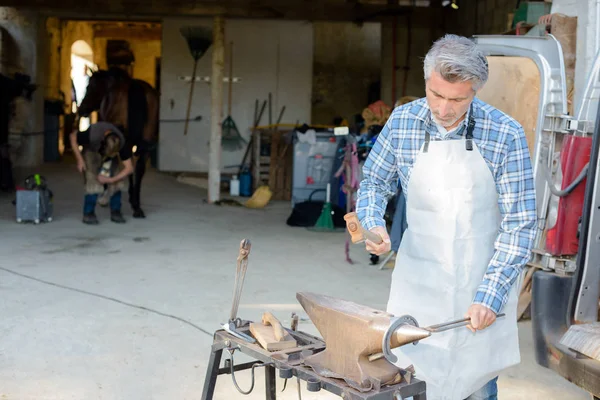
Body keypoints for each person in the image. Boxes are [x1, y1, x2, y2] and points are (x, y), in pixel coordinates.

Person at [355, 34, 537, 400]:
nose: (442, 109)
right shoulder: (403, 121)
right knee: (409, 384)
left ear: (476, 90)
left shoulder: (505, 134)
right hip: (418, 287)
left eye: (457, 99)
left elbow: (521, 225)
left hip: (479, 293)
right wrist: (372, 221)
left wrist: (490, 296)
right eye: (435, 95)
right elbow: (374, 182)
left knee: (475, 388)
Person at [70, 121, 134, 225]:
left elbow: (129, 168)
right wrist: (79, 159)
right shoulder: (92, 134)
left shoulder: (121, 142)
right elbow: (72, 137)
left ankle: (116, 211)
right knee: (93, 183)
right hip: (92, 152)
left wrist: (110, 179)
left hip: (111, 154)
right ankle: (88, 213)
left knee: (118, 181)